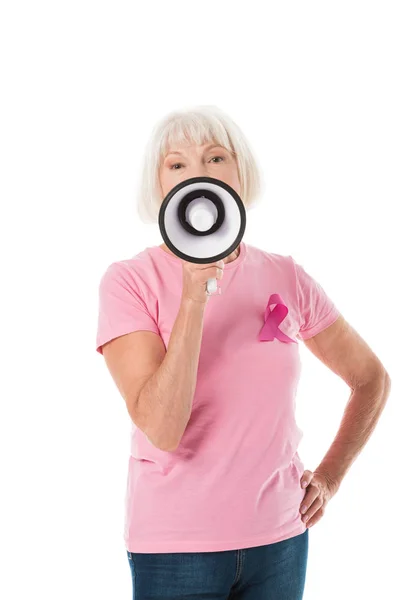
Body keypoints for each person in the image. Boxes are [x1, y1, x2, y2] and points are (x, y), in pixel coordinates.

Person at [95, 105, 391, 599]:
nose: (199, 172)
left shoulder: (286, 276)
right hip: (175, 550)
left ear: (240, 172)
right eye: (177, 164)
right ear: (159, 186)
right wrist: (194, 295)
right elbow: (163, 428)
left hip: (280, 541)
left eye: (215, 157)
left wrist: (331, 476)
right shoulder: (130, 281)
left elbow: (370, 379)